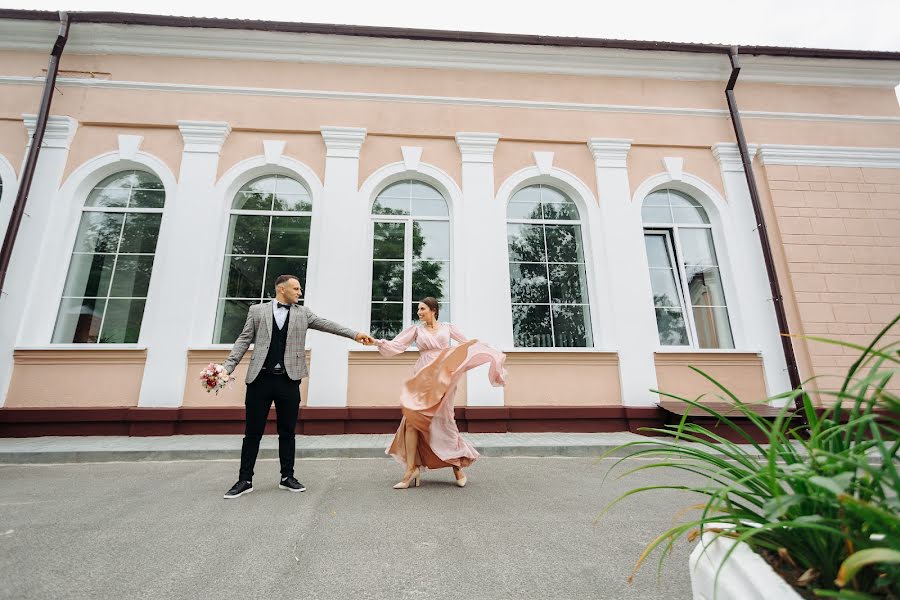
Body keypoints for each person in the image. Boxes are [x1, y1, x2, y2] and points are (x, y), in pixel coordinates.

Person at [221, 274, 374, 499]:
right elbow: (243, 340)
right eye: (296, 288)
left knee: (287, 431)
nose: (299, 292)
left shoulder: (303, 313)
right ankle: (245, 480)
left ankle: (287, 477)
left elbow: (327, 325)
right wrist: (227, 368)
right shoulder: (257, 311)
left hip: (289, 380)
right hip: (259, 380)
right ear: (281, 289)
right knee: (252, 432)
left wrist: (355, 335)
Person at [375, 297, 506, 489]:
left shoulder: (448, 328)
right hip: (422, 378)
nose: (419, 313)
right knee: (412, 421)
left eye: (422, 309)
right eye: (418, 310)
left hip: (444, 378)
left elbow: (467, 345)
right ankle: (411, 469)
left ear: (433, 310)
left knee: (444, 420)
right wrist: (376, 341)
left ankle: (456, 465)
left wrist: (489, 350)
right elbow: (397, 346)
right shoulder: (416, 330)